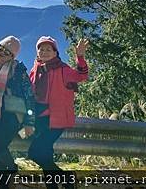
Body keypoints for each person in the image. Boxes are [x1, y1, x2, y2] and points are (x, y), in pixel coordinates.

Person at [28, 36, 89, 189]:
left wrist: (80, 57)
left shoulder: (63, 69)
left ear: (55, 52)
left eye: (49, 49)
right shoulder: (36, 69)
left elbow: (82, 76)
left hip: (56, 119)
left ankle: (67, 177)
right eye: (41, 49)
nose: (44, 52)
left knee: (35, 153)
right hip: (40, 118)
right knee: (46, 154)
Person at [0, 36, 36, 189]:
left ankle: (12, 168)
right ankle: (3, 185)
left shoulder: (18, 69)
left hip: (12, 116)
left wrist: (29, 121)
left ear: (13, 56)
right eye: (1, 48)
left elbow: (29, 96)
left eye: (7, 52)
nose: (2, 52)